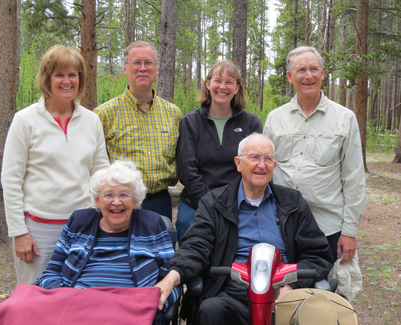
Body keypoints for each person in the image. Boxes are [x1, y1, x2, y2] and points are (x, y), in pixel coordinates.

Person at [155, 133, 333, 325]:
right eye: (254, 157)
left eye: (268, 159)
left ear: (274, 166)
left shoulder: (293, 203)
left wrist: (292, 285)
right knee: (211, 310)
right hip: (233, 292)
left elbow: (318, 256)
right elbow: (196, 246)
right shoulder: (215, 203)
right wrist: (171, 278)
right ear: (239, 163)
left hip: (282, 295)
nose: (262, 165)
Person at [1, 45, 110, 284]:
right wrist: (19, 232)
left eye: (73, 74)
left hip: (84, 226)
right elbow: (10, 180)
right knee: (36, 299)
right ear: (47, 78)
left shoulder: (92, 121)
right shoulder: (25, 120)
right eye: (59, 74)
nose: (67, 81)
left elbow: (101, 175)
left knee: (79, 297)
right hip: (38, 230)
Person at [38, 160, 182, 324]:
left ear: (135, 200)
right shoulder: (79, 221)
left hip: (129, 311)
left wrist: (151, 306)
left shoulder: (152, 224)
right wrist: (63, 297)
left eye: (124, 194)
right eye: (108, 195)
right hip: (77, 309)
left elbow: (170, 282)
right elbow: (50, 273)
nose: (116, 202)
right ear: (97, 200)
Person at [263, 46, 366, 263]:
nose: (308, 76)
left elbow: (354, 179)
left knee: (324, 293)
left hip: (327, 228)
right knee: (282, 291)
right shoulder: (275, 119)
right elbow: (264, 173)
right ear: (290, 77)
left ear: (322, 73)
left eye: (313, 69)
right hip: (281, 225)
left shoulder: (344, 119)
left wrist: (349, 232)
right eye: (301, 70)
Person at [176, 60, 262, 243]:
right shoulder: (191, 122)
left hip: (239, 208)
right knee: (192, 265)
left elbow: (254, 168)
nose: (223, 87)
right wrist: (210, 204)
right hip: (194, 208)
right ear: (208, 84)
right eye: (217, 81)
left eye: (229, 82)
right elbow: (187, 170)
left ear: (237, 88)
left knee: (232, 266)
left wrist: (230, 204)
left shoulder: (250, 123)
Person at [94, 41, 182, 220]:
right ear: (126, 69)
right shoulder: (104, 114)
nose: (143, 68)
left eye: (148, 63)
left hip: (160, 202)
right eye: (136, 63)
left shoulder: (173, 114)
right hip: (118, 205)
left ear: (157, 69)